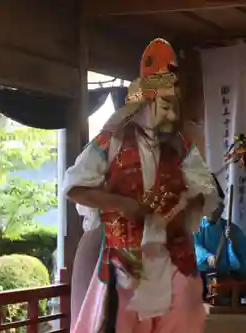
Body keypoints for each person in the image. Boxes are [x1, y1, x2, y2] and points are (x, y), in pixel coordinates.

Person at [62, 38, 219, 333]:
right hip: (124, 255)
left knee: (186, 299)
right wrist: (123, 204)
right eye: (164, 105)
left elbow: (206, 191)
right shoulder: (112, 140)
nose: (171, 114)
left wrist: (188, 202)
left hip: (171, 254)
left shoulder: (180, 145)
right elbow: (73, 187)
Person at [194, 174, 246, 305]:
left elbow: (244, 258)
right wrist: (208, 258)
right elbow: (195, 248)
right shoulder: (195, 228)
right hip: (204, 274)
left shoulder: (231, 229)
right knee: (195, 283)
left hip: (227, 273)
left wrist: (233, 241)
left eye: (219, 205)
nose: (215, 209)